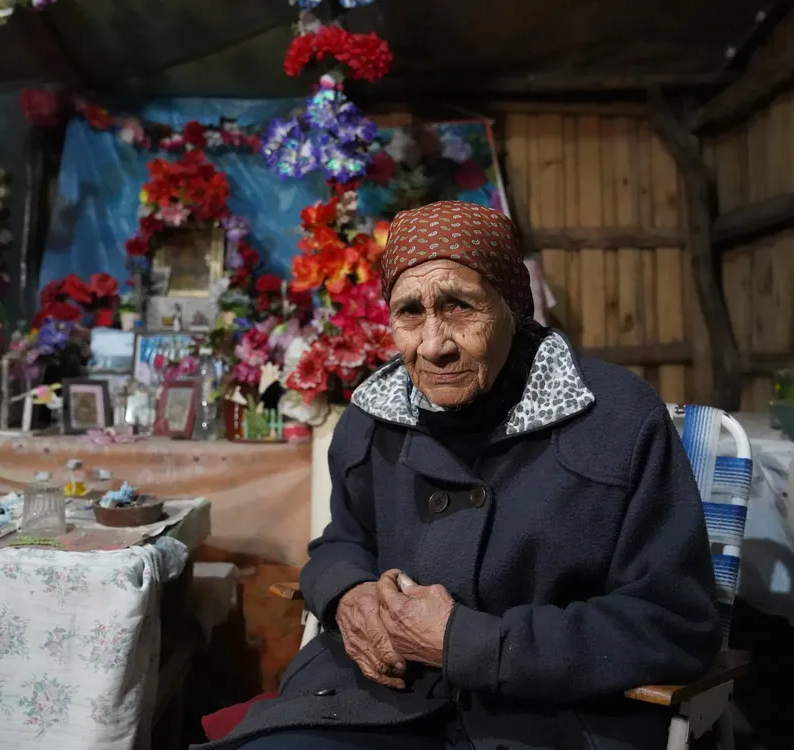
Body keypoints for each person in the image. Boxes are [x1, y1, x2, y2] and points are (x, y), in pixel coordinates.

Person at [198, 201, 720, 750]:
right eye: (410, 313)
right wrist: (345, 594)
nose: (434, 345)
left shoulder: (617, 419)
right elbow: (345, 540)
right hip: (379, 700)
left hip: (545, 718)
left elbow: (674, 620)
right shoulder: (373, 418)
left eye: (459, 307)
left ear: (513, 308)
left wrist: (467, 642)